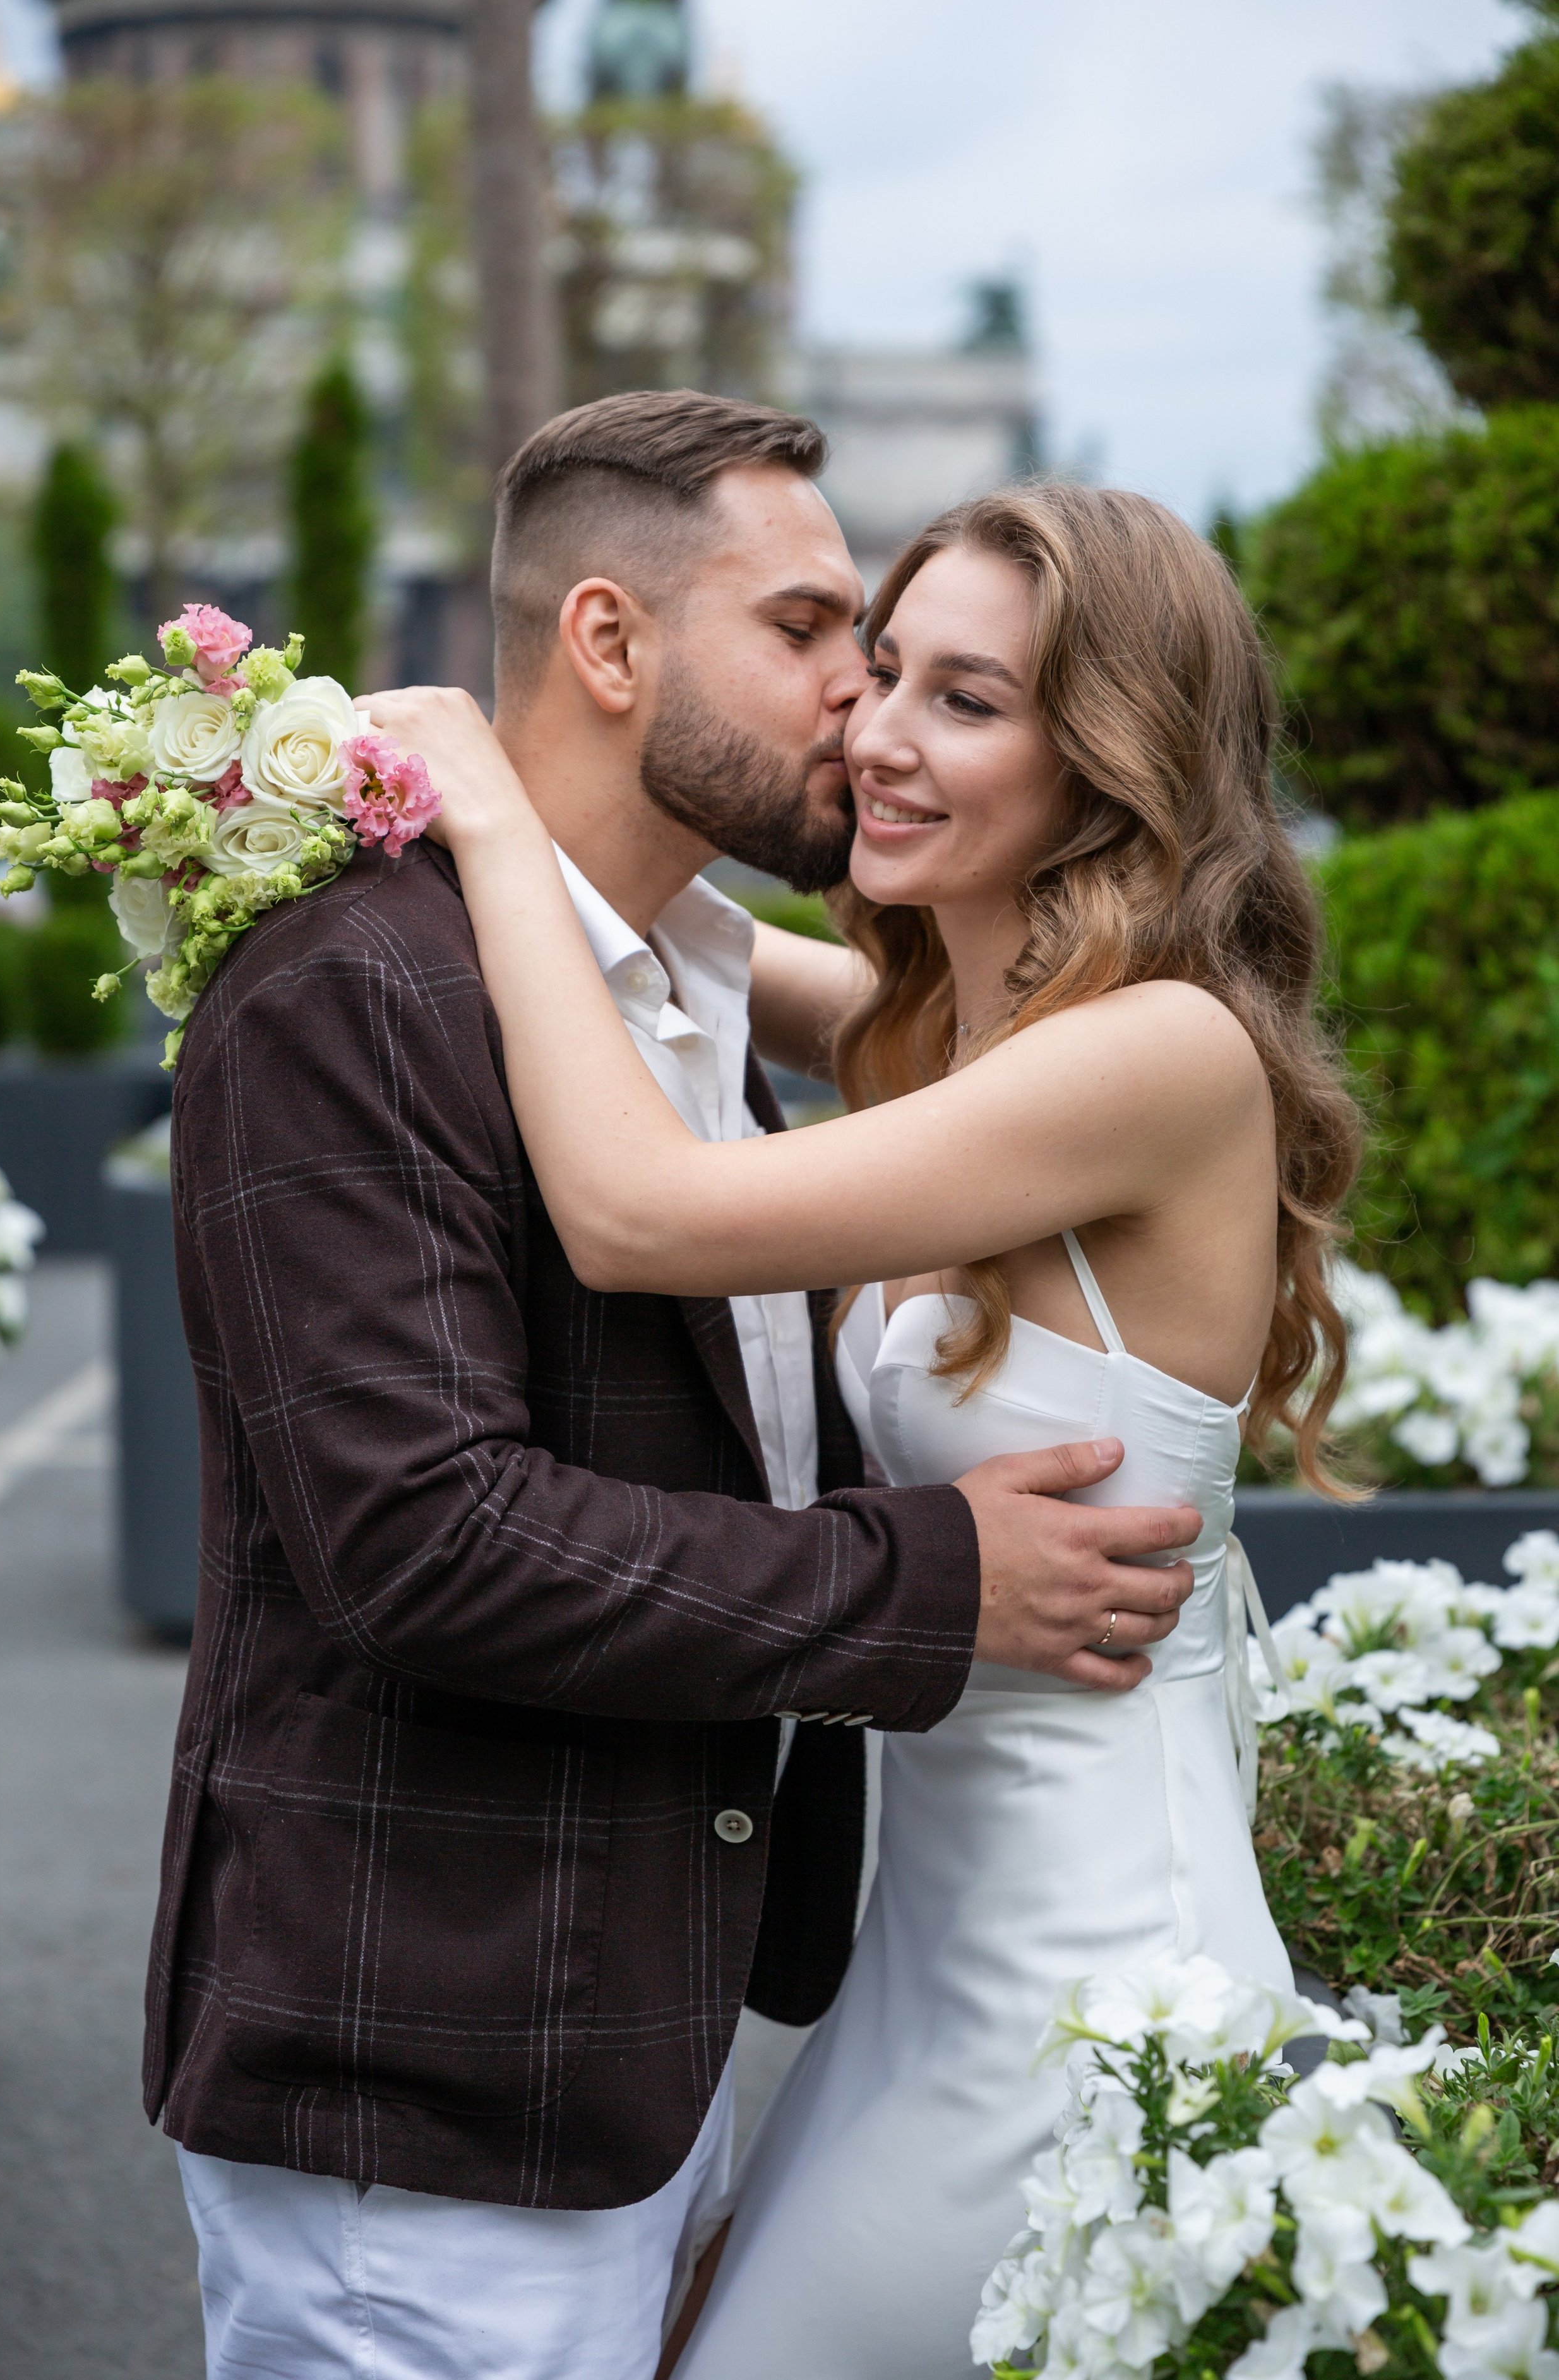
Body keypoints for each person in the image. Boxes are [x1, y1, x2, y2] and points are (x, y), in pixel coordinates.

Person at [155, 392, 1201, 2380]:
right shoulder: (353, 989)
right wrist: (930, 1582)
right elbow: (427, 1541)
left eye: (904, 666)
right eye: (815, 633)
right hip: (427, 2097)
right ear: (613, 644)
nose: (862, 705)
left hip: (638, 2050)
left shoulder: (692, 980)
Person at [367, 470, 1364, 2379]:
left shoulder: (1157, 1056)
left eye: (966, 701)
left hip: (1085, 1971)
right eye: (879, 667)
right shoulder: (946, 1036)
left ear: (1112, 757)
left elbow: (637, 1208)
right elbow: (697, 953)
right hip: (921, 1966)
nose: (879, 734)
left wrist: (485, 803)